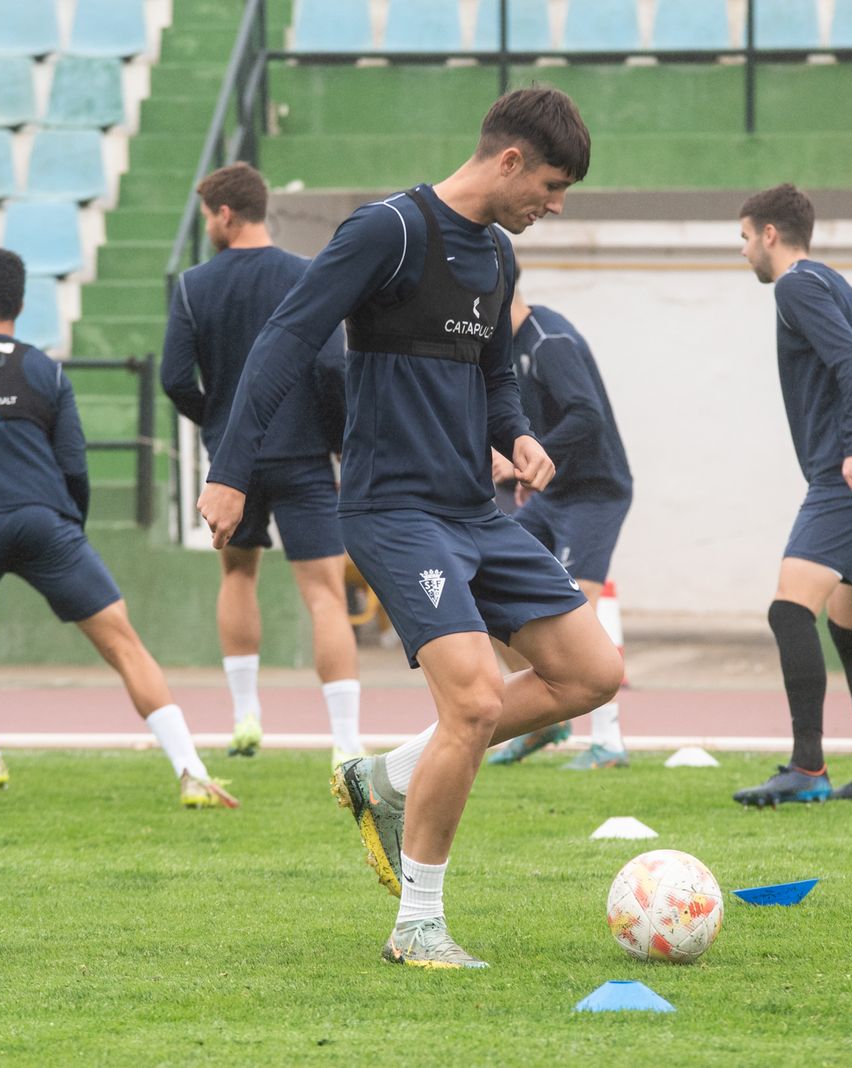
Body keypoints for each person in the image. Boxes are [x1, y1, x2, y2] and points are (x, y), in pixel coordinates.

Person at [197, 87, 622, 969]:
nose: (555, 205)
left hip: (475, 512)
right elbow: (284, 341)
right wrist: (230, 472)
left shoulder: (497, 255)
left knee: (593, 673)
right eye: (551, 186)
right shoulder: (387, 231)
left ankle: (385, 776)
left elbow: (495, 375)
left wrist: (518, 435)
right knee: (473, 701)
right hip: (393, 512)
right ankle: (417, 925)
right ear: (510, 161)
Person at [0, 248, 236, 811]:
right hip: (47, 522)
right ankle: (192, 772)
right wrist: (71, 531)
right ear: (21, 304)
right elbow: (74, 466)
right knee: (125, 644)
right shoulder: (47, 371)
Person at [161, 162, 362, 769]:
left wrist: (218, 426)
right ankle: (346, 740)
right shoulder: (307, 275)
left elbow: (174, 378)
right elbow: (332, 368)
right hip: (303, 457)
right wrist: (335, 439)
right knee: (325, 594)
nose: (207, 226)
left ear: (225, 214)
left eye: (207, 216)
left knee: (238, 576)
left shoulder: (193, 285)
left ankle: (246, 716)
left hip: (234, 466)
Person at [730, 183, 852, 808]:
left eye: (744, 238)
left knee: (790, 611)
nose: (744, 251)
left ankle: (807, 767)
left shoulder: (795, 286)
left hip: (851, 473)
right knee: (850, 627)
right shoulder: (841, 287)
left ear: (770, 234)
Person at [486, 263, 633, 770]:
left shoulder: (549, 340)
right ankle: (544, 721)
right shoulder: (503, 348)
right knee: (485, 589)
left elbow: (587, 414)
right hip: (550, 497)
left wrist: (529, 457)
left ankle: (609, 743)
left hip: (594, 494)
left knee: (577, 621)